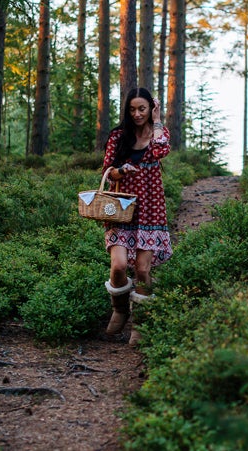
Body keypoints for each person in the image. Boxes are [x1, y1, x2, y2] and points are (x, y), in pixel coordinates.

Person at [101, 87, 172, 340]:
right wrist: (121, 172)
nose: (137, 113)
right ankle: (119, 311)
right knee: (119, 266)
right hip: (122, 209)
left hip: (151, 211)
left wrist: (157, 120)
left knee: (142, 270)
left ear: (150, 108)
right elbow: (107, 171)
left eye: (142, 108)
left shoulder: (157, 135)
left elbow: (162, 150)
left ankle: (140, 322)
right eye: (132, 109)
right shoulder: (118, 136)